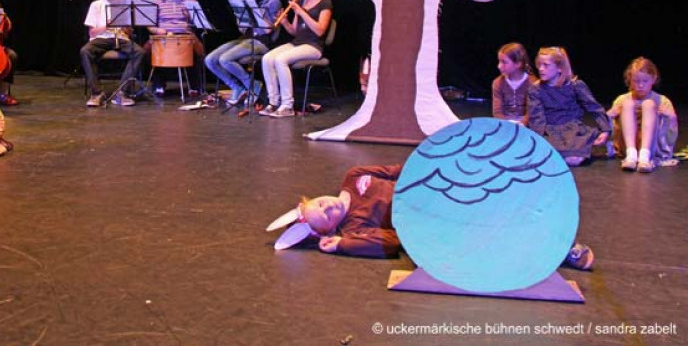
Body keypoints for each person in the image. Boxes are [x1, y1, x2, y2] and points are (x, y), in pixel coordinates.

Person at [267, 163, 596, 270]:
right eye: (323, 217)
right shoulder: (353, 229)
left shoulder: (353, 176)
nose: (327, 207)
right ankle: (563, 252)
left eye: (319, 204)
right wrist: (343, 245)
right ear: (328, 229)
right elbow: (391, 242)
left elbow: (399, 171)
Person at [259, 0, 333, 117]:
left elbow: (320, 30)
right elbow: (294, 31)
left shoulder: (325, 2)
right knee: (267, 58)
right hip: (297, 43)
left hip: (314, 46)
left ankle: (287, 106)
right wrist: (285, 21)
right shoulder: (301, 1)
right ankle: (273, 102)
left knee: (280, 59)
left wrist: (301, 11)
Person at [205, 0, 281, 106]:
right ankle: (236, 87)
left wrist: (254, 11)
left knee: (225, 59)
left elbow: (269, 30)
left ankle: (253, 86)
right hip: (246, 39)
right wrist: (241, 16)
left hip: (262, 41)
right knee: (210, 60)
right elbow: (242, 29)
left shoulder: (273, 1)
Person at [527, 47, 611, 167]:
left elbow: (593, 107)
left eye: (546, 65)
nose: (541, 69)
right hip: (549, 130)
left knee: (573, 159)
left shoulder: (575, 85)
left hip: (573, 129)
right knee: (550, 157)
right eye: (539, 65)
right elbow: (536, 118)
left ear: (559, 68)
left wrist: (605, 129)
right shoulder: (536, 89)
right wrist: (539, 141)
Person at [80, 0, 144, 107]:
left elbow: (128, 32)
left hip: (120, 37)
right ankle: (97, 93)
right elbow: (92, 32)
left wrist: (125, 27)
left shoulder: (124, 4)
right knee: (85, 51)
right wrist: (107, 25)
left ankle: (122, 92)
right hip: (102, 38)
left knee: (139, 52)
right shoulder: (96, 5)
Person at [606, 57, 679, 173]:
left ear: (653, 79)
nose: (640, 85)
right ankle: (631, 155)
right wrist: (610, 114)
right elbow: (607, 127)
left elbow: (670, 136)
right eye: (636, 81)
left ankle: (644, 156)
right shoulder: (622, 100)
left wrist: (671, 116)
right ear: (629, 79)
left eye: (645, 81)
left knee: (649, 104)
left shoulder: (662, 101)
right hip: (628, 145)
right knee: (627, 104)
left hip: (652, 147)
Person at [146, 0, 205, 96]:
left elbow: (197, 22)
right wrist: (157, 30)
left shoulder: (188, 1)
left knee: (198, 50)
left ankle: (194, 85)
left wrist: (194, 6)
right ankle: (158, 84)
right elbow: (149, 24)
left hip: (184, 36)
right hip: (163, 36)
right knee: (145, 50)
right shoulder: (157, 1)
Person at [492, 42, 534, 125]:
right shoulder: (498, 82)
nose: (499, 66)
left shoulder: (533, 84)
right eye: (499, 61)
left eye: (504, 62)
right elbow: (497, 111)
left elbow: (531, 111)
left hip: (526, 127)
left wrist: (523, 123)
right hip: (504, 125)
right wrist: (505, 125)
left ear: (518, 64)